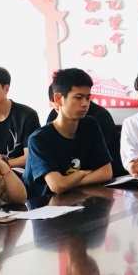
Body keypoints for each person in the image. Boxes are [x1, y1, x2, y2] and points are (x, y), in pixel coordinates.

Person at [26, 69, 114, 198]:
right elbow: (57, 186)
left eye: (88, 98)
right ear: (58, 99)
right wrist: (80, 173)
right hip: (45, 204)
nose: (85, 104)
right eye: (78, 98)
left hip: (78, 198)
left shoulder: (90, 124)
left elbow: (106, 172)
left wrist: (70, 181)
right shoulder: (39, 139)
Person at [0, 65, 40, 167]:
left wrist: (1, 164)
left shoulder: (27, 115)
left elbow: (30, 157)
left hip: (20, 171)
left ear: (6, 89)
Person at [45, 83, 121, 169]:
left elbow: (97, 157)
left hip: (100, 170)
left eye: (86, 98)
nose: (60, 111)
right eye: (57, 108)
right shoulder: (52, 117)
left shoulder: (100, 117)